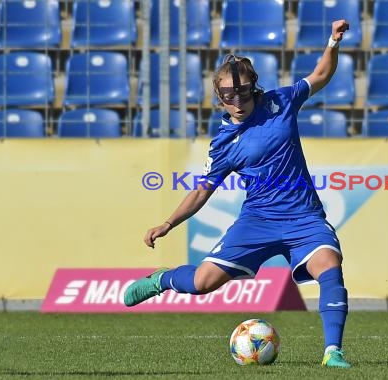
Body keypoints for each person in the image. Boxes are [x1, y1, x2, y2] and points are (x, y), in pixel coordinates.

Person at [124, 19, 351, 368]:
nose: (237, 100)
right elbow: (202, 191)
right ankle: (162, 280)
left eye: (243, 91)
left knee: (329, 266)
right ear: (219, 97)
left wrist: (333, 42)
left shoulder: (280, 102)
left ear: (253, 88)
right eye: (229, 95)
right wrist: (168, 223)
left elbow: (321, 74)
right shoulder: (225, 142)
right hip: (257, 221)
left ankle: (333, 353)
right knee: (203, 282)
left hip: (304, 217)